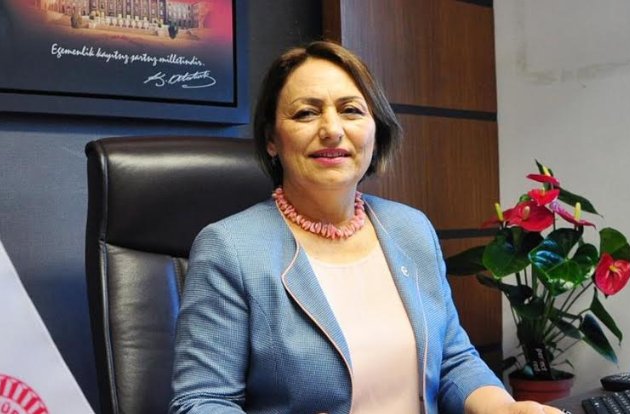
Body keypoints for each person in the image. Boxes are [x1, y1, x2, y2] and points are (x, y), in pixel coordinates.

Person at [170, 41, 563, 414]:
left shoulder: (411, 229)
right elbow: (201, 401)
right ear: (272, 138)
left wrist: (506, 407)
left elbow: (452, 360)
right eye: (306, 113)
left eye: (351, 110)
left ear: (376, 129)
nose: (332, 129)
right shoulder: (231, 249)